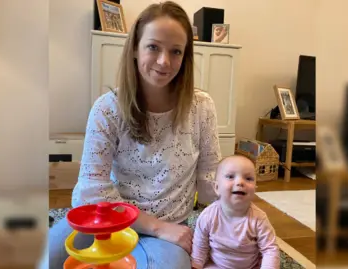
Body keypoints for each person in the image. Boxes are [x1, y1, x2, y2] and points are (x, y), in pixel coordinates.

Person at [49, 1, 221, 268]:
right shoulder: (107, 108)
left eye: (176, 51)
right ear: (135, 49)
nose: (164, 61)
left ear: (185, 57)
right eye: (153, 47)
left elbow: (210, 179)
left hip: (169, 225)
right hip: (106, 219)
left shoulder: (202, 107)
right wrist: (154, 227)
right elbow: (91, 192)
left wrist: (237, 206)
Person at [191, 155, 280, 269]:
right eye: (230, 176)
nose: (240, 182)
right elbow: (200, 245)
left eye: (248, 178)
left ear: (255, 189)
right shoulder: (207, 216)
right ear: (216, 187)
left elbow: (270, 249)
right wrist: (196, 266)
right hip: (217, 265)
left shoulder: (259, 218)